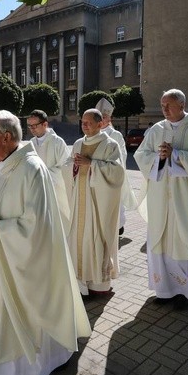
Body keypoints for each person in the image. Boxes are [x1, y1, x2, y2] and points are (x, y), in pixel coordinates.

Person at [0, 111, 91, 375]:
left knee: (14, 316)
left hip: (23, 262)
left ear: (6, 137)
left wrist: (0, 228)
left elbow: (38, 223)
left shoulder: (32, 168)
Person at [133, 89, 188, 309]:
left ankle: (185, 291)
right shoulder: (156, 129)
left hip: (185, 198)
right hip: (160, 198)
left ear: (182, 105)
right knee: (159, 241)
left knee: (182, 240)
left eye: (168, 105)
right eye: (162, 105)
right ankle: (165, 289)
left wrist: (175, 155)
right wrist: (159, 159)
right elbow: (140, 155)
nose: (164, 110)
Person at [63, 108, 125, 296]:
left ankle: (99, 284)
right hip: (79, 200)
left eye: (89, 122)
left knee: (96, 237)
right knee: (78, 239)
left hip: (98, 203)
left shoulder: (110, 144)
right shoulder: (77, 143)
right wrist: (72, 167)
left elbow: (118, 172)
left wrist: (92, 164)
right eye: (83, 122)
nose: (85, 125)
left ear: (100, 124)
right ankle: (80, 283)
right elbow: (67, 166)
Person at [95, 98, 138, 235]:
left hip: (111, 173)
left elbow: (122, 156)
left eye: (104, 116)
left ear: (109, 118)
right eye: (99, 116)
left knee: (114, 203)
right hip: (96, 174)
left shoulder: (115, 134)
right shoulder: (92, 133)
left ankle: (118, 226)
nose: (101, 119)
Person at [27, 109, 71, 226]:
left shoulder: (57, 142)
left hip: (55, 190)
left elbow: (66, 167)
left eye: (34, 125)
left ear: (45, 124)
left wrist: (43, 174)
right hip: (36, 190)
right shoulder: (31, 143)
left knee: (57, 223)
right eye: (29, 126)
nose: (31, 129)